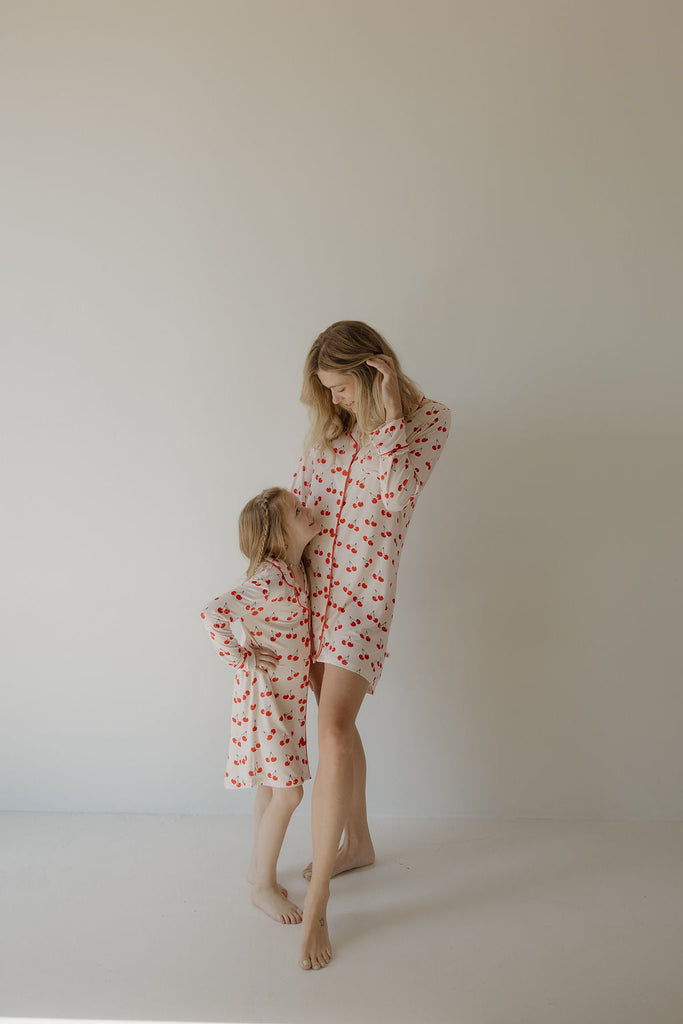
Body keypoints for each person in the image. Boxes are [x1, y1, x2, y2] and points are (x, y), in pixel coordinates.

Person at [292, 320, 451, 970]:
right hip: (310, 595)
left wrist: (386, 418)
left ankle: (318, 905)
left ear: (371, 371)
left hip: (362, 600)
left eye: (341, 388)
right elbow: (300, 510)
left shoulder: (427, 421)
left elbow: (394, 501)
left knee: (331, 731)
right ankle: (356, 843)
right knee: (338, 727)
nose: (334, 401)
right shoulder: (330, 435)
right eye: (326, 391)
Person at [201, 487, 320, 925]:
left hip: (287, 700)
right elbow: (212, 613)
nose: (309, 511)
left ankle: (258, 867)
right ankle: (264, 888)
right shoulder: (269, 578)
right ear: (279, 534)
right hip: (265, 699)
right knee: (290, 792)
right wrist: (242, 658)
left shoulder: (295, 570)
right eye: (298, 511)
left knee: (272, 786)